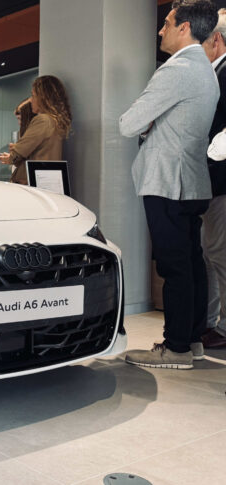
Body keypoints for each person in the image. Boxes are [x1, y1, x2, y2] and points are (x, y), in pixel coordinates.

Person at [120, 0, 219, 369]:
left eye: (166, 23)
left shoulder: (176, 69)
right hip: (191, 179)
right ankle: (191, 340)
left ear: (184, 27)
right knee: (191, 262)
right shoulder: (206, 69)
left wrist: (149, 121)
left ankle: (175, 347)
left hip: (167, 180)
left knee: (174, 265)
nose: (160, 30)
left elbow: (128, 124)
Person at [200, 8, 226, 349]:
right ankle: (212, 324)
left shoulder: (224, 73)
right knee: (212, 254)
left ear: (216, 39)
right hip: (214, 182)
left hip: (221, 180)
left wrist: (211, 153)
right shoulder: (216, 72)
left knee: (220, 254)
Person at [0, 75, 72, 185]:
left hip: (30, 182)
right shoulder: (56, 121)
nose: (31, 100)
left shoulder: (43, 120)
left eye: (33, 95)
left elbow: (20, 152)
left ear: (43, 98)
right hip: (47, 182)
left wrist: (13, 155)